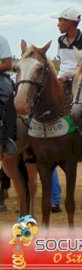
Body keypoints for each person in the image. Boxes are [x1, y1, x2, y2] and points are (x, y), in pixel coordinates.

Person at [53, 6, 82, 212]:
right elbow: (62, 63)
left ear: (70, 23)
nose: (58, 24)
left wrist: (67, 77)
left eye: (60, 20)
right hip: (61, 80)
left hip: (77, 82)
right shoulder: (60, 41)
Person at [0, 34, 16, 212]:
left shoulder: (1, 39)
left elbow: (7, 64)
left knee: (9, 98)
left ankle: (9, 140)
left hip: (0, 78)